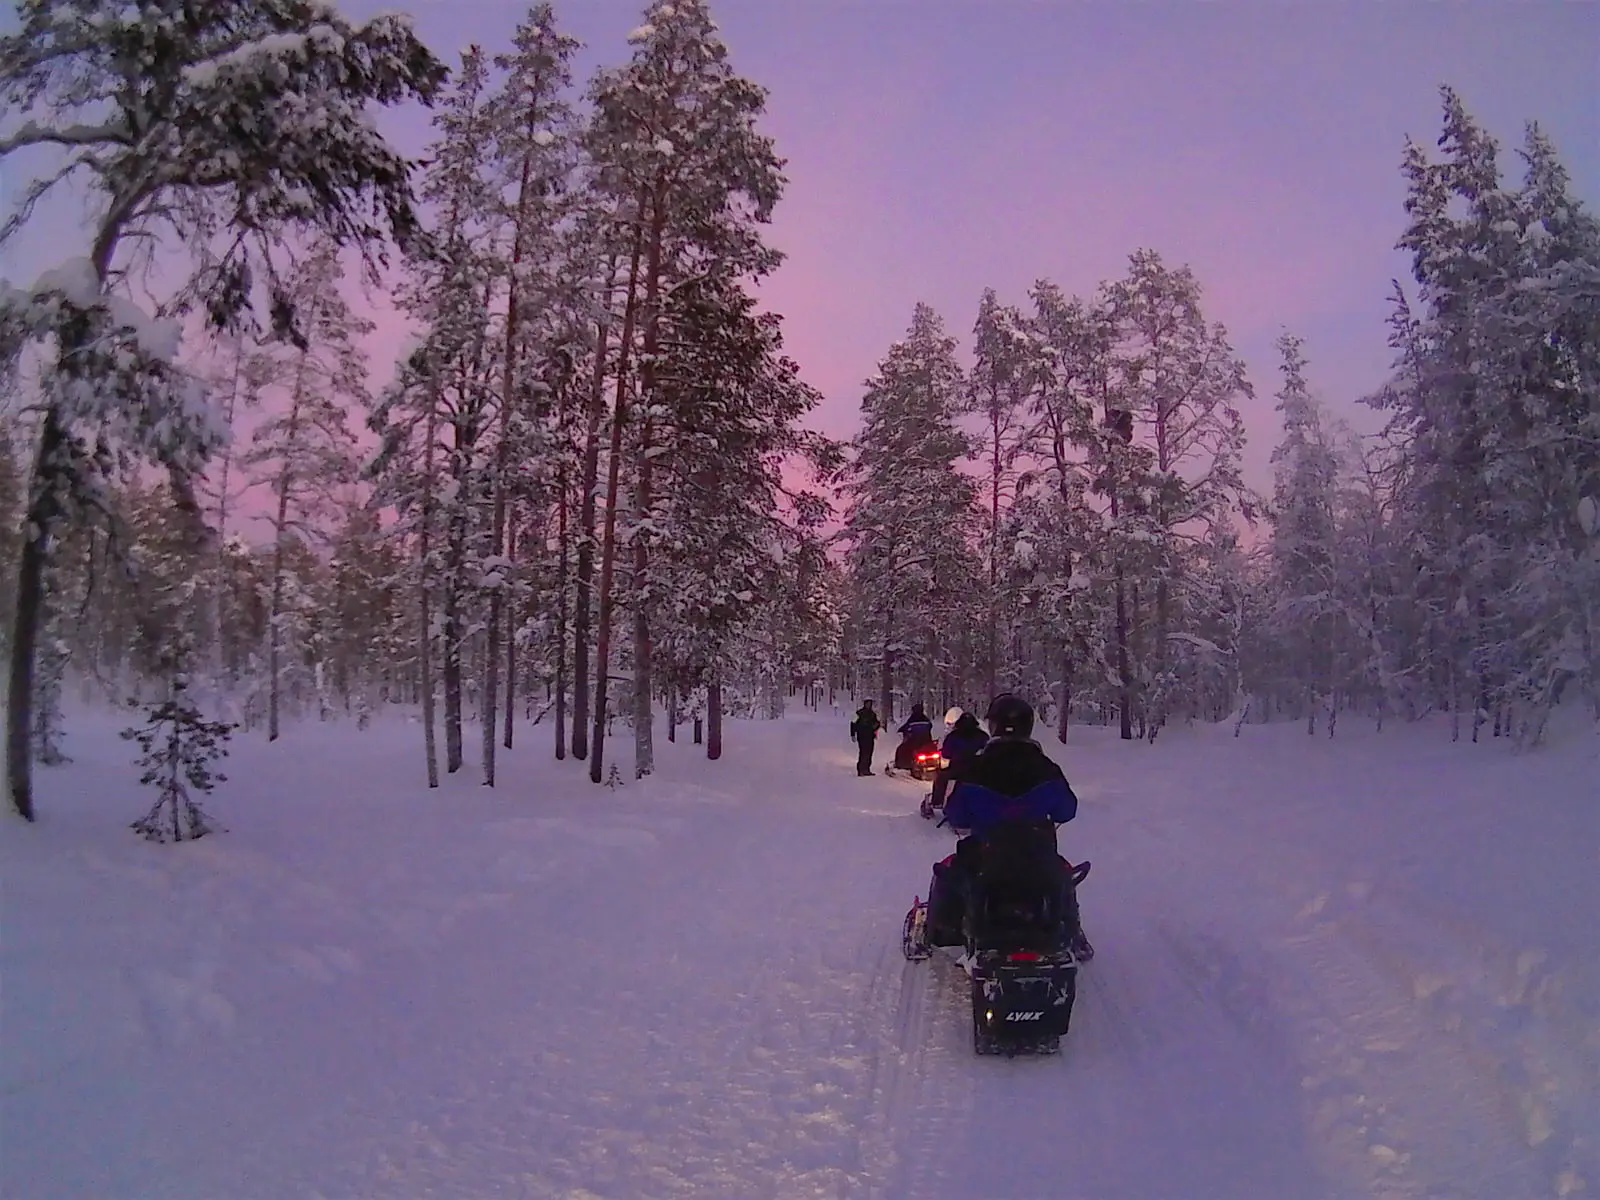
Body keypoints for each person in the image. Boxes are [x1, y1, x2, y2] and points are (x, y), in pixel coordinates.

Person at [922, 693, 1094, 960]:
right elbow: (1067, 810)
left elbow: (955, 814)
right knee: (1061, 875)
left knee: (947, 872)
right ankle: (1072, 929)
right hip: (1037, 855)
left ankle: (936, 932)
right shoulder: (1047, 768)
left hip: (984, 856)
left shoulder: (975, 768)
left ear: (993, 726)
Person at [928, 709, 989, 811]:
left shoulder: (953, 736)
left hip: (957, 771)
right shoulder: (983, 736)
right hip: (980, 771)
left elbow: (946, 754)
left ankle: (937, 801)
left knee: (941, 776)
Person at [891, 702, 936, 771]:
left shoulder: (912, 719)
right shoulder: (926, 719)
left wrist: (901, 731)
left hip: (914, 742)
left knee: (901, 749)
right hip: (926, 741)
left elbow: (906, 727)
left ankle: (901, 765)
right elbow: (930, 726)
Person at [849, 700, 881, 777]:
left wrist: (876, 726)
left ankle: (867, 769)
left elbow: (877, 723)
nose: (868, 705)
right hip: (862, 736)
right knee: (863, 752)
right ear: (864, 704)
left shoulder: (872, 714)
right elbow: (853, 723)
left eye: (870, 704)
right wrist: (853, 734)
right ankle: (860, 770)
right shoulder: (859, 713)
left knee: (869, 752)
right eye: (867, 703)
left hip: (870, 736)